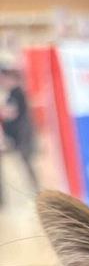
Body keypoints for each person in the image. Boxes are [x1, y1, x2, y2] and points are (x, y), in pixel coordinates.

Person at [0, 57, 38, 196]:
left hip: (23, 137)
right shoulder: (12, 94)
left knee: (28, 164)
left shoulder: (17, 92)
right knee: (25, 165)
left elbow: (12, 113)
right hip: (18, 137)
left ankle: (36, 189)